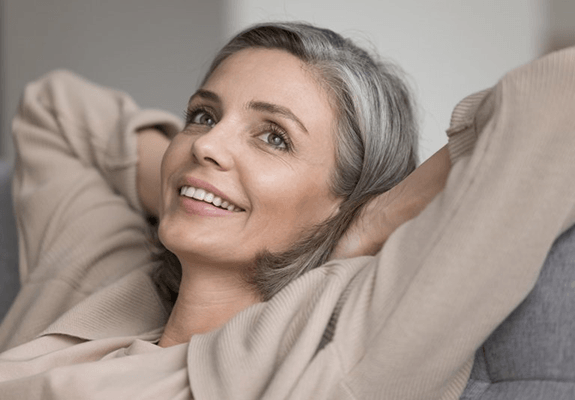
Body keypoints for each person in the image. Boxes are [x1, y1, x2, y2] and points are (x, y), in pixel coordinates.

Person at [0, 21, 574, 399]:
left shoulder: (334, 348)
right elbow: (55, 110)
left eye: (273, 137)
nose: (206, 142)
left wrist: (374, 220)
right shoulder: (101, 278)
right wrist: (191, 185)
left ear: (342, 203)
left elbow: (558, 99)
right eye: (203, 115)